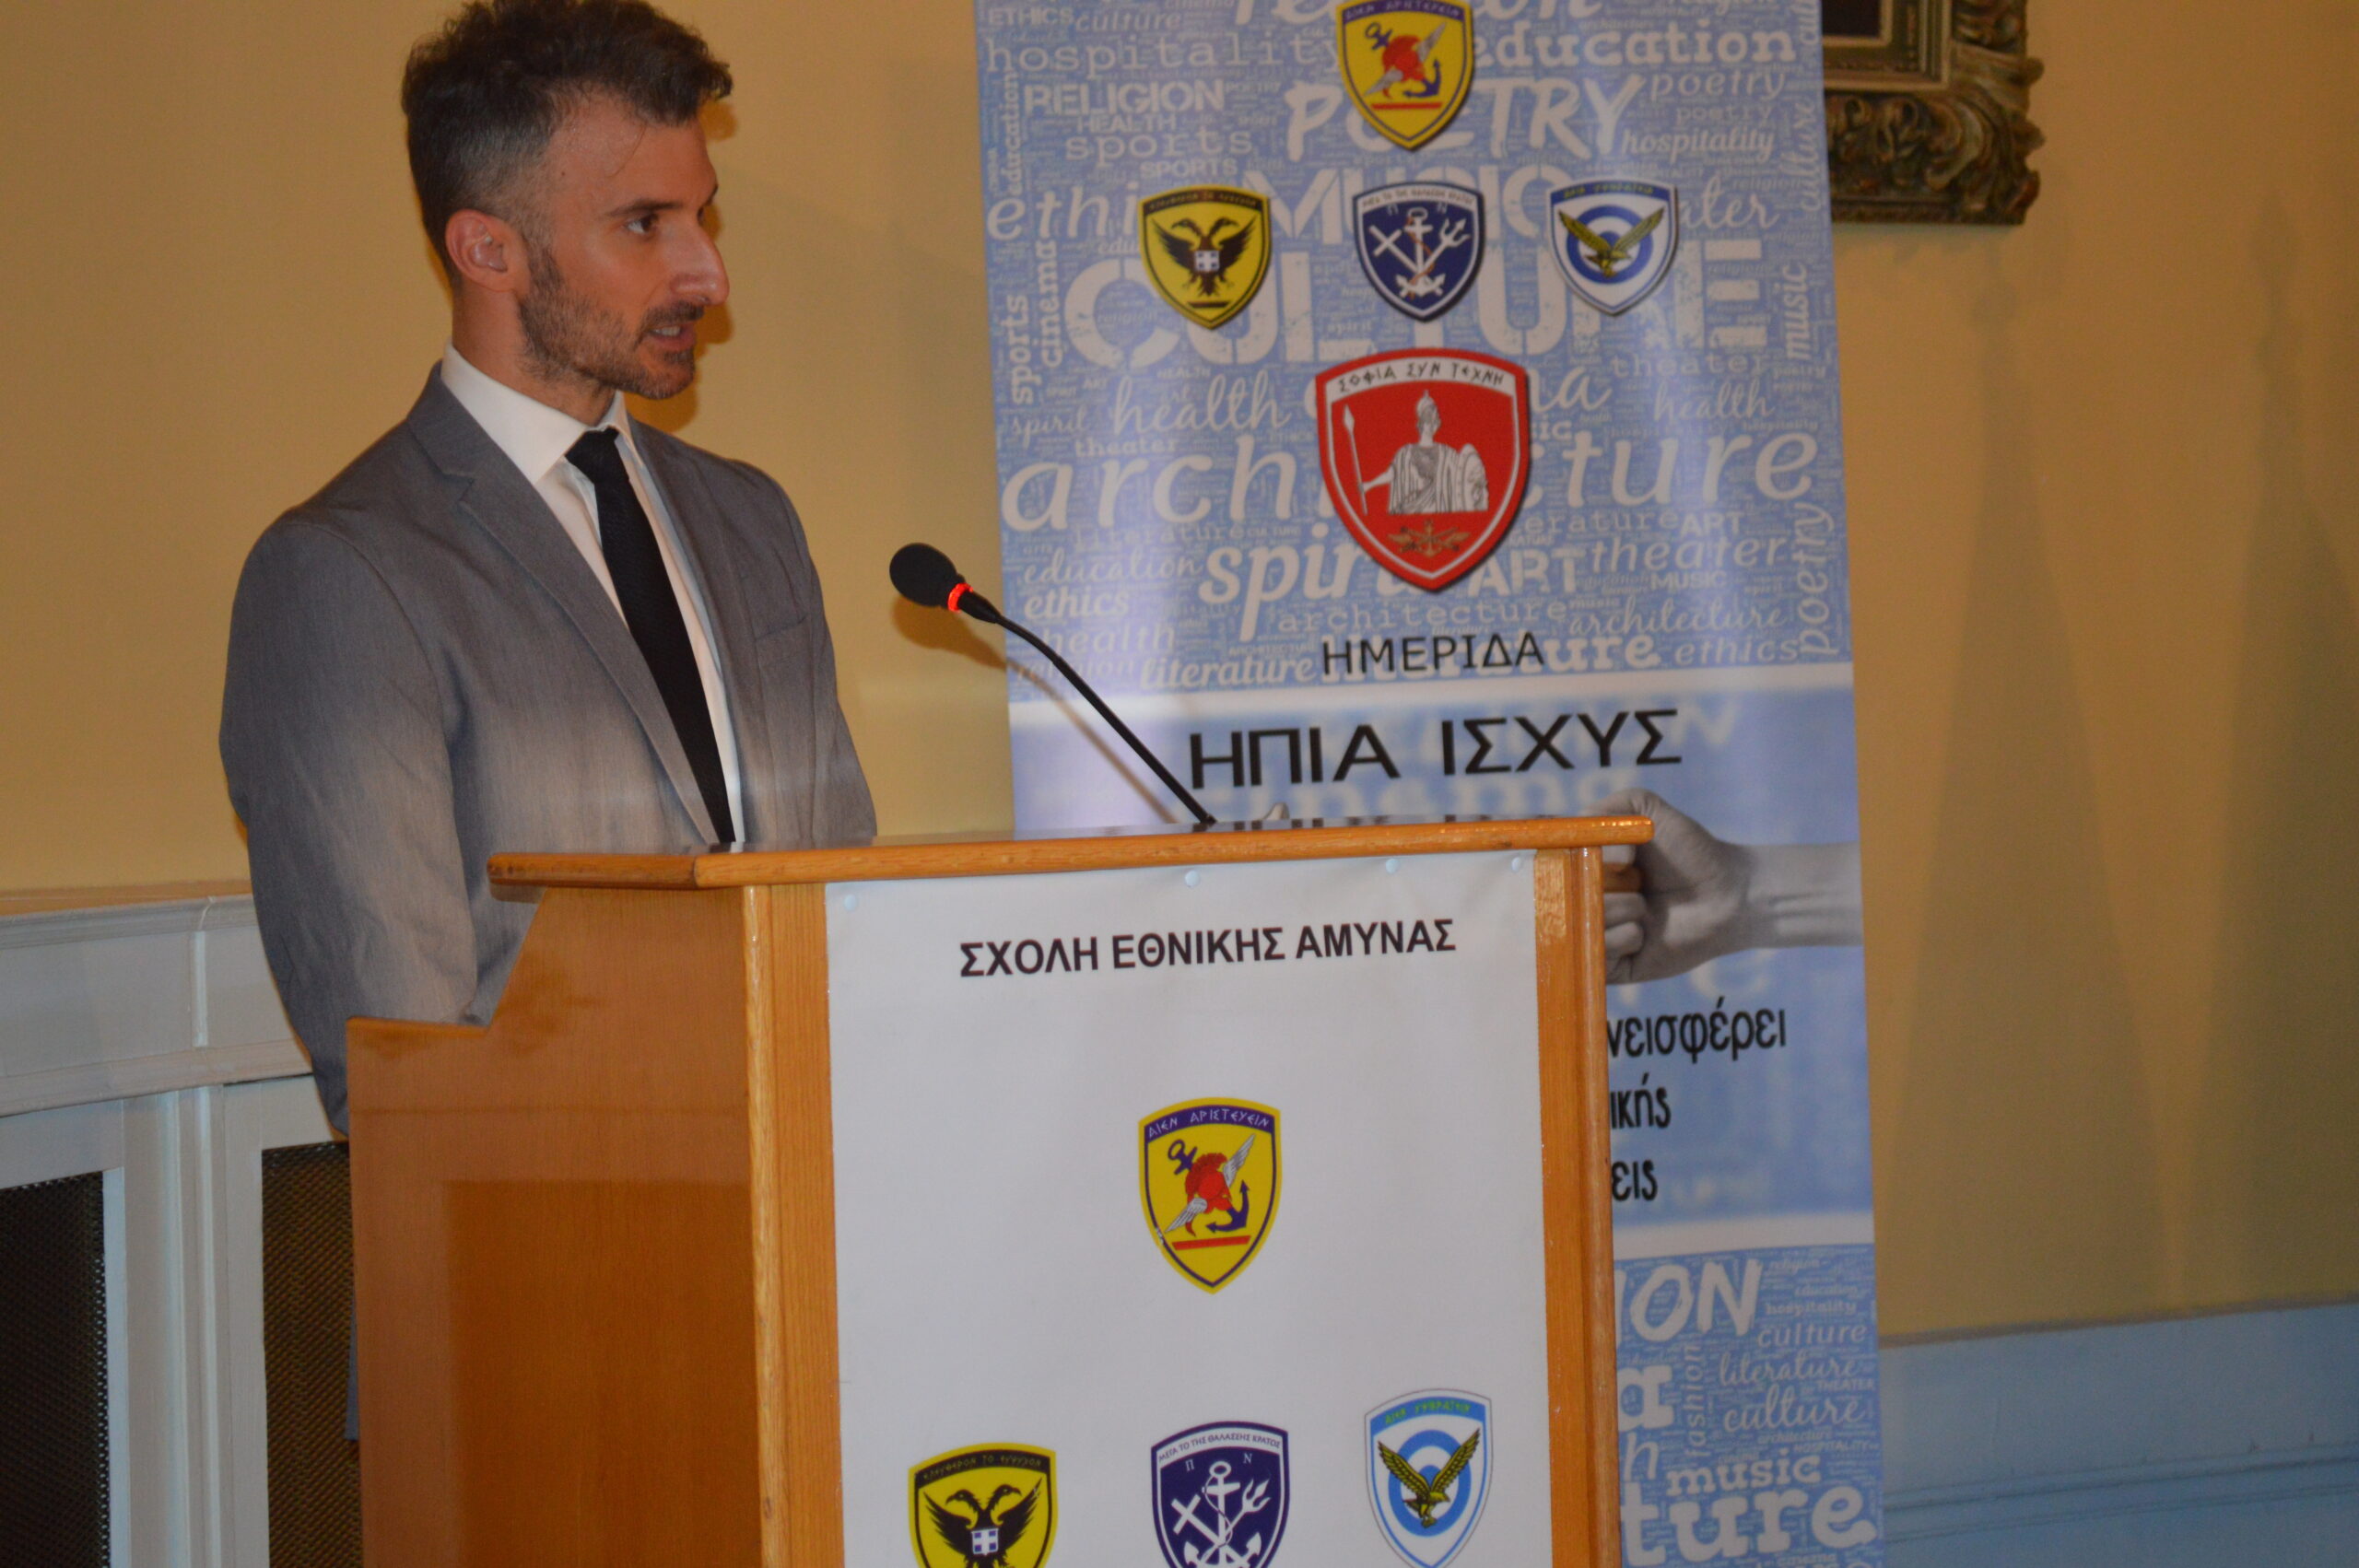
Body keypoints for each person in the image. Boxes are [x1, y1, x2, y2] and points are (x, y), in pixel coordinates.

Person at [220, 0, 874, 1138]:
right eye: (644, 224)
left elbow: (847, 922)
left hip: (821, 1197)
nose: (707, 273)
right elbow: (406, 1075)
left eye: (703, 216)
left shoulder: (753, 521)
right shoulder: (345, 572)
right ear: (489, 250)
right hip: (554, 1225)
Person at [1379, 392, 1487, 514]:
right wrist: (1369, 485)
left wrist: (1477, 487)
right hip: (1411, 512)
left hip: (1441, 513)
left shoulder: (1447, 453)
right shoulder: (1405, 453)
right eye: (1428, 420)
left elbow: (1465, 472)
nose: (1432, 425)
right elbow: (1392, 474)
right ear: (1421, 423)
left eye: (1435, 421)